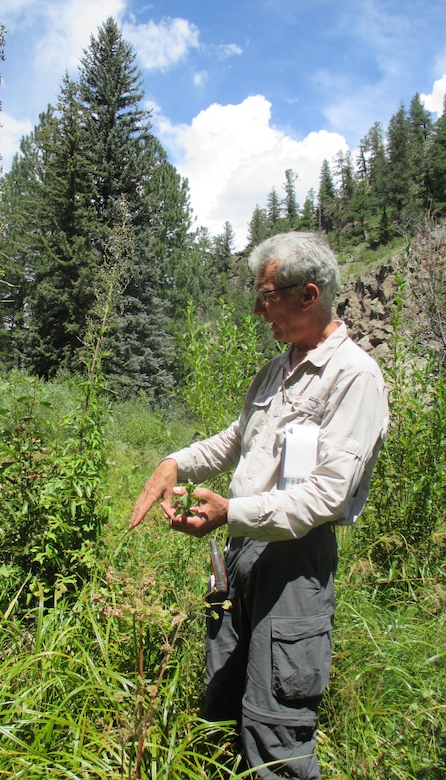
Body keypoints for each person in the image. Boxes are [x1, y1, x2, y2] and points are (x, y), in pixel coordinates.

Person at [129, 231, 389, 779]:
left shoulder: (356, 378)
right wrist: (174, 462)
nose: (256, 309)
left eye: (265, 295)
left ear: (308, 295)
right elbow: (234, 440)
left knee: (276, 726)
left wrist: (233, 512)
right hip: (239, 554)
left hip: (294, 567)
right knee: (220, 701)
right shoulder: (276, 369)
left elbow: (327, 493)